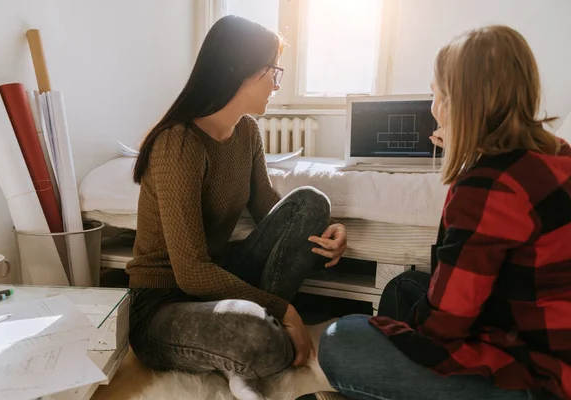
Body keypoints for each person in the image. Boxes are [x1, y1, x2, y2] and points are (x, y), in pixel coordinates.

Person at [301, 25, 571, 400]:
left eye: (436, 95)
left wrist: (465, 170)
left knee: (338, 339)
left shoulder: (487, 183)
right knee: (404, 287)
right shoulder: (558, 153)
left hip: (534, 378)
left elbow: (445, 325)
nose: (433, 108)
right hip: (538, 336)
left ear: (458, 102)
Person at [126, 15, 347, 400]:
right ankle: (246, 348)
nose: (277, 85)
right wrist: (284, 310)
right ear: (238, 70)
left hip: (217, 281)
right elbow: (191, 273)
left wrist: (331, 231)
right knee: (260, 338)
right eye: (273, 72)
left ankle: (237, 354)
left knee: (312, 202)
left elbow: (269, 208)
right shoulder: (178, 144)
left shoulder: (246, 130)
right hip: (162, 305)